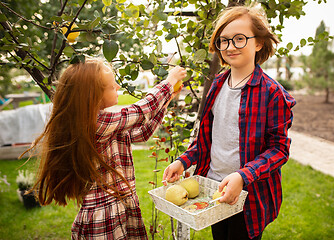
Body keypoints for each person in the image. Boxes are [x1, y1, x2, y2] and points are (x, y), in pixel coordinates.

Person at [162, 4, 296, 240]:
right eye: (224, 41)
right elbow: (208, 139)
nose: (230, 47)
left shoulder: (272, 93)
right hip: (213, 188)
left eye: (239, 39)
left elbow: (279, 150)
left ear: (258, 43)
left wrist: (243, 176)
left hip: (248, 197)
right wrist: (184, 161)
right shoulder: (217, 85)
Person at [23, 58, 187, 239]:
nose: (117, 87)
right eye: (111, 86)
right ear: (92, 94)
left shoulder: (103, 123)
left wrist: (166, 101)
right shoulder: (96, 124)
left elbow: (141, 134)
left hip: (120, 206)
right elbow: (142, 110)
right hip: (105, 216)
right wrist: (169, 81)